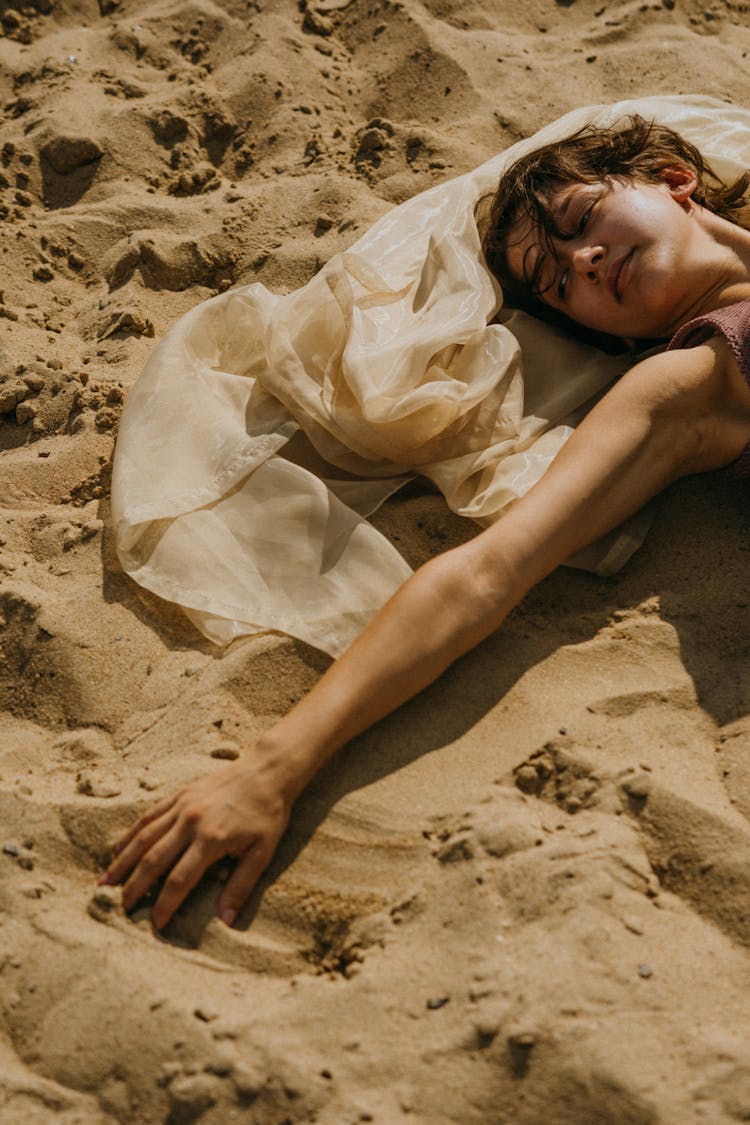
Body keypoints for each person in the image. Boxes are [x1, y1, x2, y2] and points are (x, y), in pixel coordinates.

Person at [99, 114, 750, 930]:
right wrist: (271, 769)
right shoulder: (687, 387)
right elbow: (489, 572)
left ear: (672, 180)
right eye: (559, 284)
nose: (582, 260)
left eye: (582, 221)